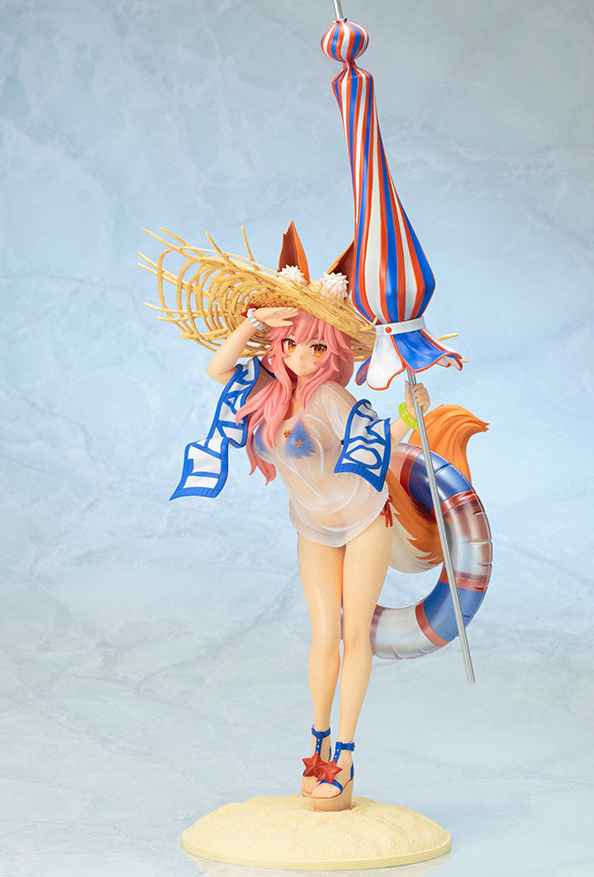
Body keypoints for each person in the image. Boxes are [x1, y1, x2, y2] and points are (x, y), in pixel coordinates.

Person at [144, 222, 429, 811]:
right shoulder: (266, 390)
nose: (302, 356)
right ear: (278, 345)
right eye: (292, 343)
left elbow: (380, 446)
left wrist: (410, 413)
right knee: (323, 634)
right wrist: (253, 322)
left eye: (317, 347)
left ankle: (345, 755)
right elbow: (217, 370)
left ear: (334, 352)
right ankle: (317, 743)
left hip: (365, 516)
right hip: (313, 524)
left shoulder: (331, 397)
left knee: (354, 634)